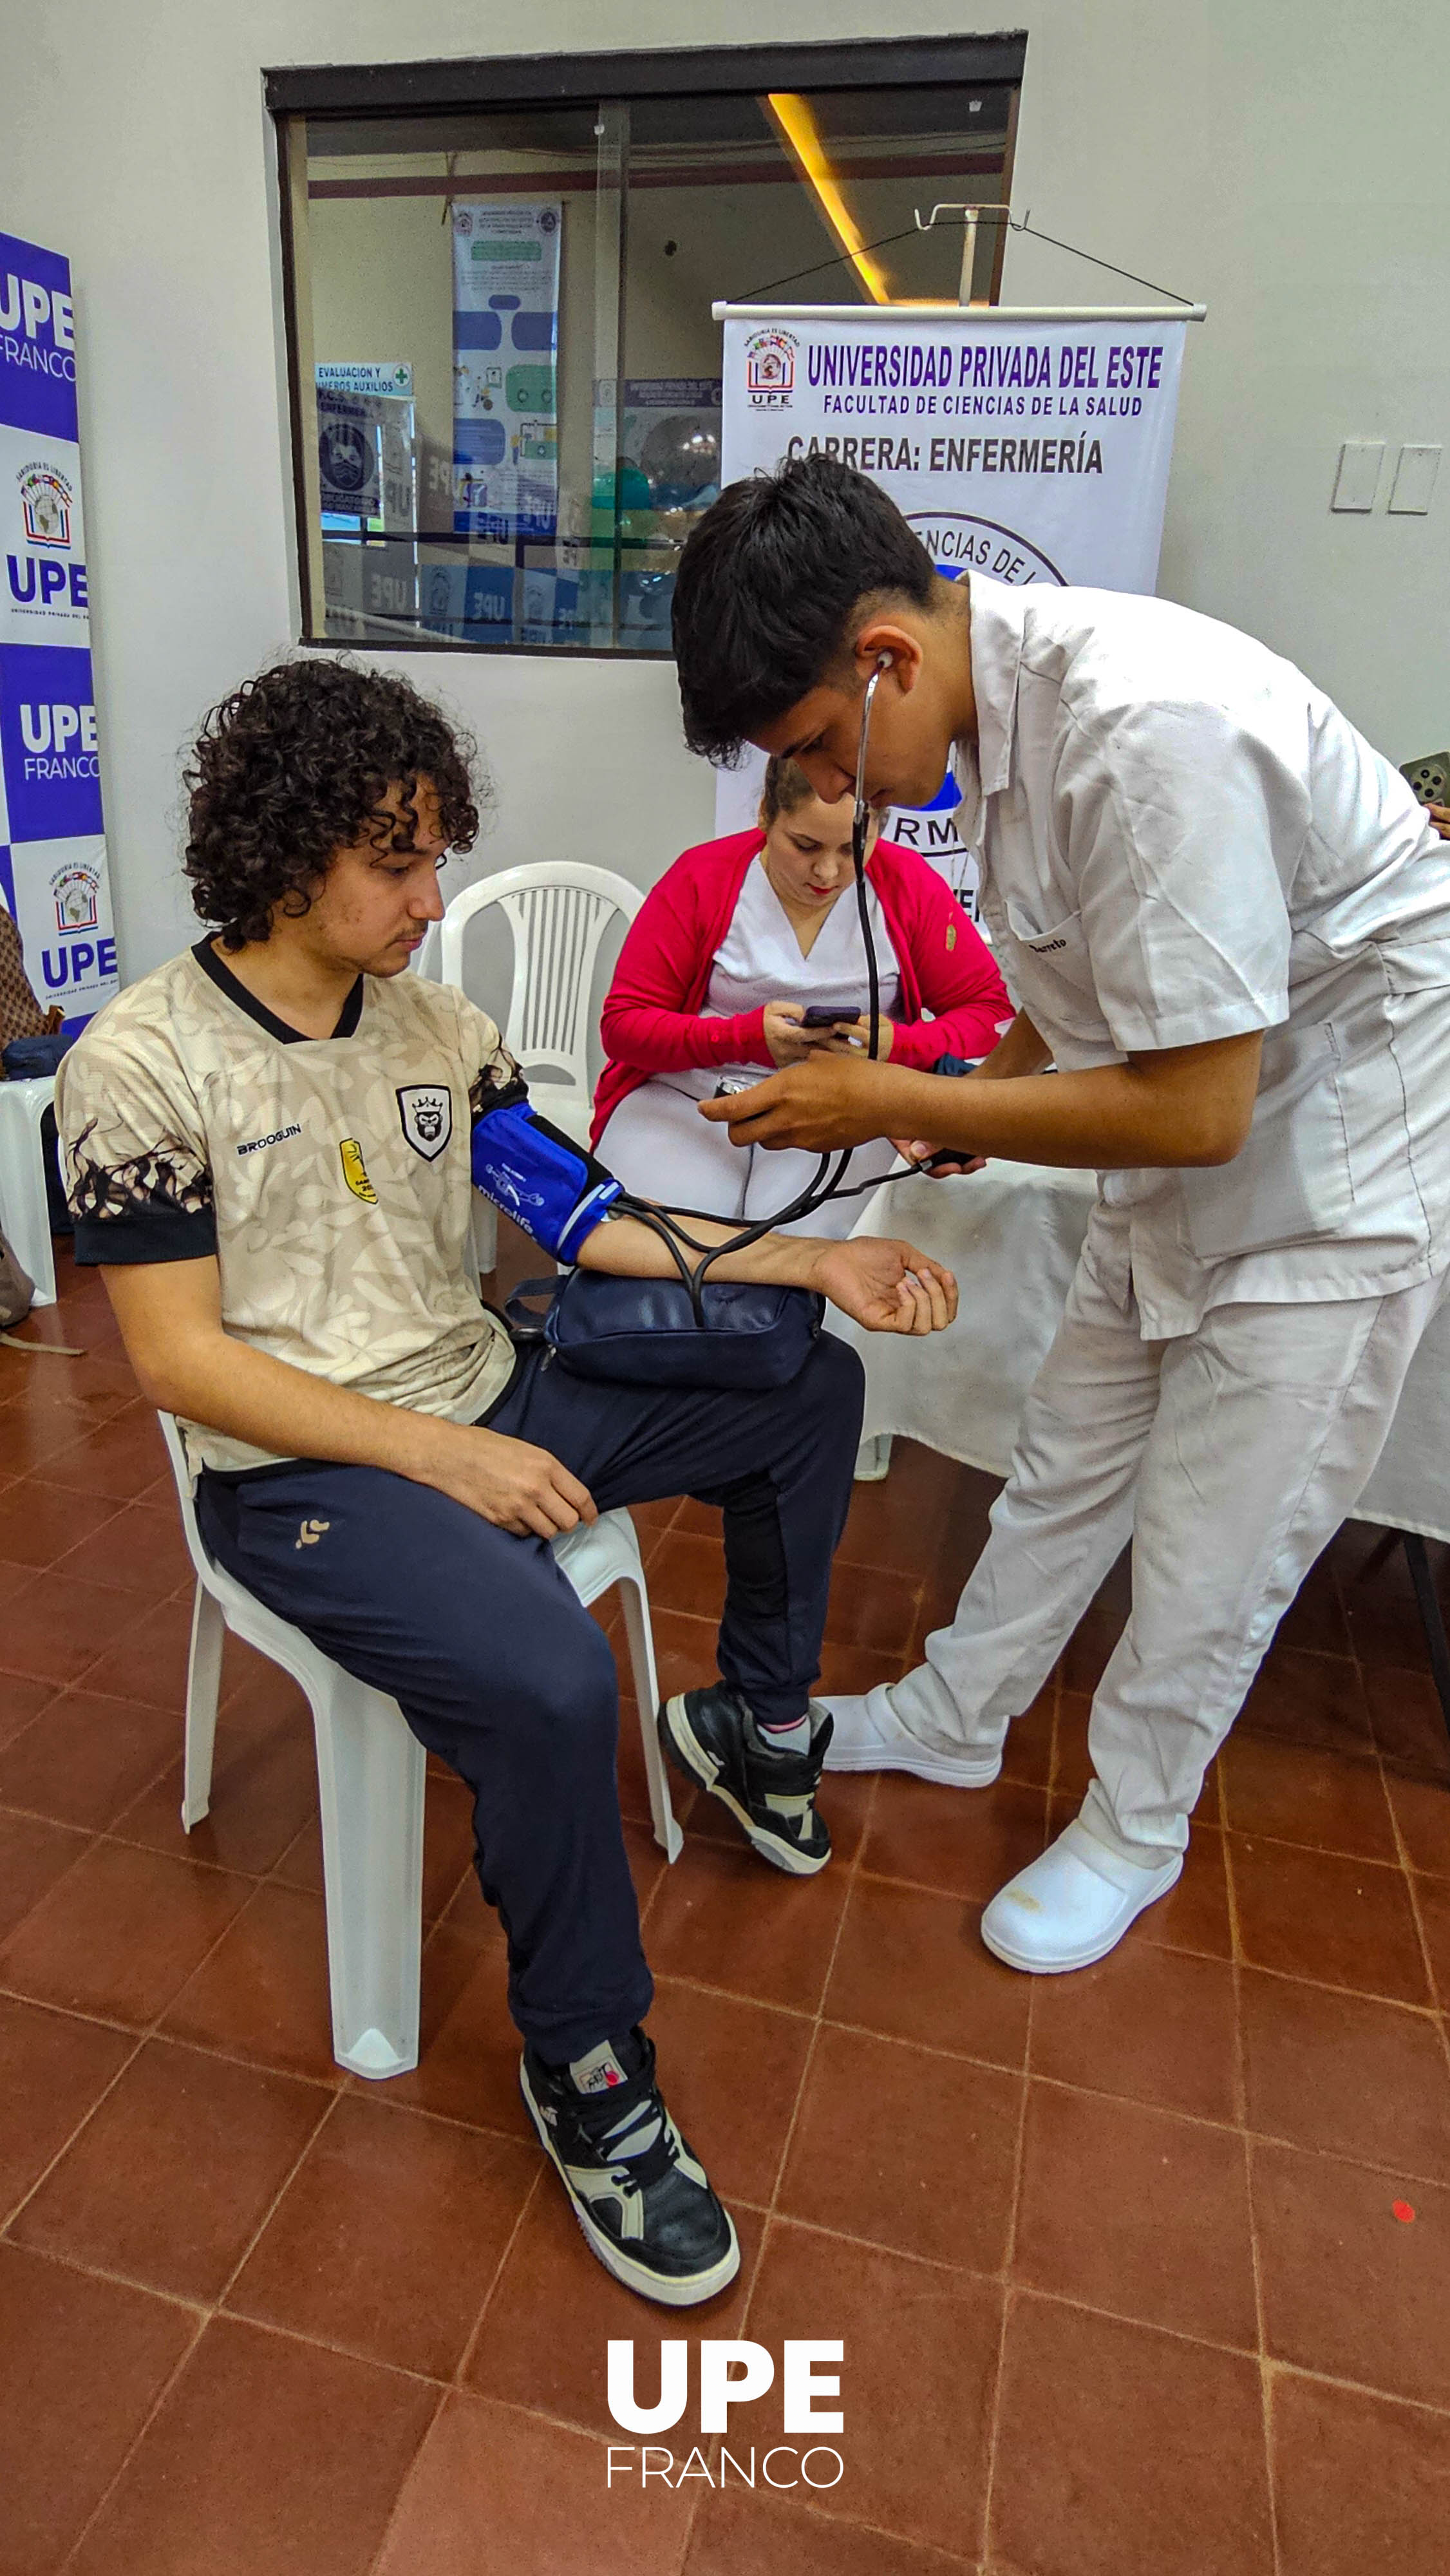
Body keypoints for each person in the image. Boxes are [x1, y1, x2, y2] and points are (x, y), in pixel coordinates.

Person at [53, 656, 956, 2308]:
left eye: (435, 851)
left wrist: (807, 1270)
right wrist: (441, 1453)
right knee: (547, 1678)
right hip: (309, 1466)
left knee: (800, 1388)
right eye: (396, 860)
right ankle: (591, 2067)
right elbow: (179, 1365)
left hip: (486, 1386)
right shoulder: (140, 1065)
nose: (430, 892)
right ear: (283, 849)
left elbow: (576, 1212)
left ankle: (753, 1725)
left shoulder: (435, 1024)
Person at [669, 451, 1450, 1976]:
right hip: (1184, 1130)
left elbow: (1196, 1105)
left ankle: (1132, 1826)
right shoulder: (1008, 716)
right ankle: (959, 1716)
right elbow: (1074, 988)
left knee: (1212, 1537)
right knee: (1066, 1453)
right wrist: (934, 1084)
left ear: (883, 658)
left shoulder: (1143, 730)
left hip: (1331, 1162)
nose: (829, 789)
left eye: (824, 749)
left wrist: (902, 1100)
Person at [592, 754, 1011, 1236]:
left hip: (848, 1106)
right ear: (766, 815)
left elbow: (990, 1017)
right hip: (691, 1100)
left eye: (854, 847)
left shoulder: (907, 886)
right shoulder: (702, 877)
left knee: (806, 1246)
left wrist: (901, 1046)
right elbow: (624, 1028)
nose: (828, 873)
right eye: (805, 845)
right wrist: (745, 1038)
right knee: (661, 1244)